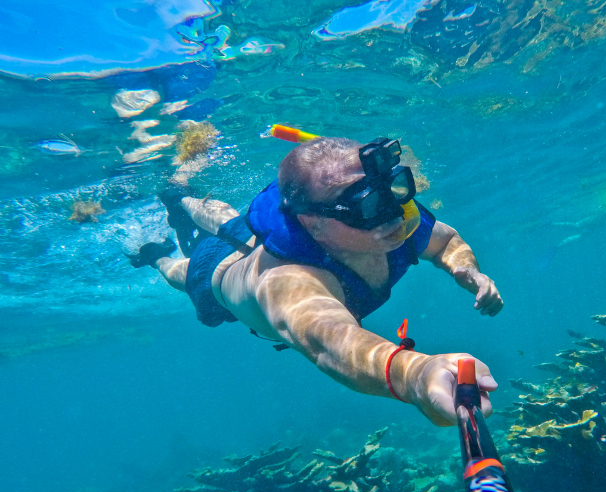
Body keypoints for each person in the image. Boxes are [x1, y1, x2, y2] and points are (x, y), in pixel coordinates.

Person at [129, 136, 503, 426]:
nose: (392, 213)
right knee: (181, 271)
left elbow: (446, 241)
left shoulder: (386, 221)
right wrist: (416, 374)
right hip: (217, 272)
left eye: (396, 190)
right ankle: (156, 252)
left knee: (231, 221)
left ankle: (184, 198)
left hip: (260, 235)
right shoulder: (289, 283)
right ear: (314, 224)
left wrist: (464, 268)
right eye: (369, 205)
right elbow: (329, 342)